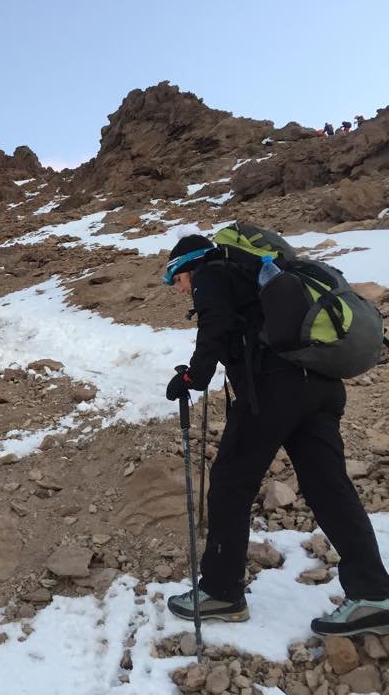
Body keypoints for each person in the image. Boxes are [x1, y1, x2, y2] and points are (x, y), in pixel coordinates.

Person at [162, 233, 389, 636]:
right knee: (329, 487)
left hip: (274, 389)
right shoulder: (256, 275)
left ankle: (221, 592)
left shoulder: (212, 273)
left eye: (175, 279)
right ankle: (374, 594)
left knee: (231, 483)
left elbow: (213, 328)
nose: (178, 289)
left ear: (188, 266)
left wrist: (192, 377)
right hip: (320, 386)